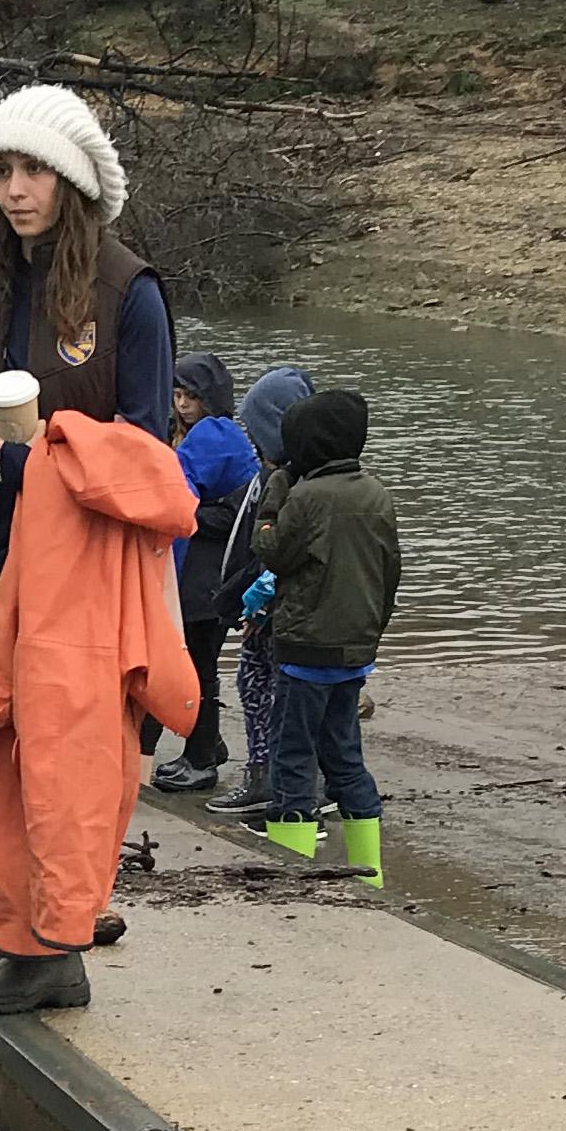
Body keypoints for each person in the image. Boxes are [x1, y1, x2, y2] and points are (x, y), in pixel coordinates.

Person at [0, 404, 202, 1014]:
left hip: (66, 642)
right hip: (56, 625)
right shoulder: (84, 464)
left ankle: (52, 953)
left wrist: (20, 456)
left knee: (60, 797)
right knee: (11, 777)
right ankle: (22, 938)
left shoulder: (60, 463)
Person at [0, 86, 173, 693]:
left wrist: (42, 456)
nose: (14, 190)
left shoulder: (127, 291)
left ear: (72, 179)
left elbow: (146, 450)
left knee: (67, 749)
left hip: (80, 566)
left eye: (34, 169)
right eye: (3, 170)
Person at [256, 391, 402, 888]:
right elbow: (390, 571)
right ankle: (370, 873)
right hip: (354, 652)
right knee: (344, 755)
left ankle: (289, 870)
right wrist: (371, 634)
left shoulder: (307, 496)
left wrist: (272, 500)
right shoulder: (376, 493)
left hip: (304, 655)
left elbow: (272, 551)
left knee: (291, 757)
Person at [208, 364, 318, 818]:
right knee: (258, 684)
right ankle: (273, 775)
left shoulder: (292, 483)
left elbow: (275, 553)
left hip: (279, 610)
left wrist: (255, 602)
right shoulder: (268, 476)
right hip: (264, 605)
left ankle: (277, 783)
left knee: (272, 692)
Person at [155, 354, 260, 792]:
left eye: (191, 397)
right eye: (177, 395)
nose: (182, 405)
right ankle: (207, 744)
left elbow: (234, 515)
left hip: (207, 577)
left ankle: (200, 759)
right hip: (202, 572)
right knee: (197, 663)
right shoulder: (195, 437)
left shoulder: (218, 438)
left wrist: (192, 514)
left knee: (198, 665)